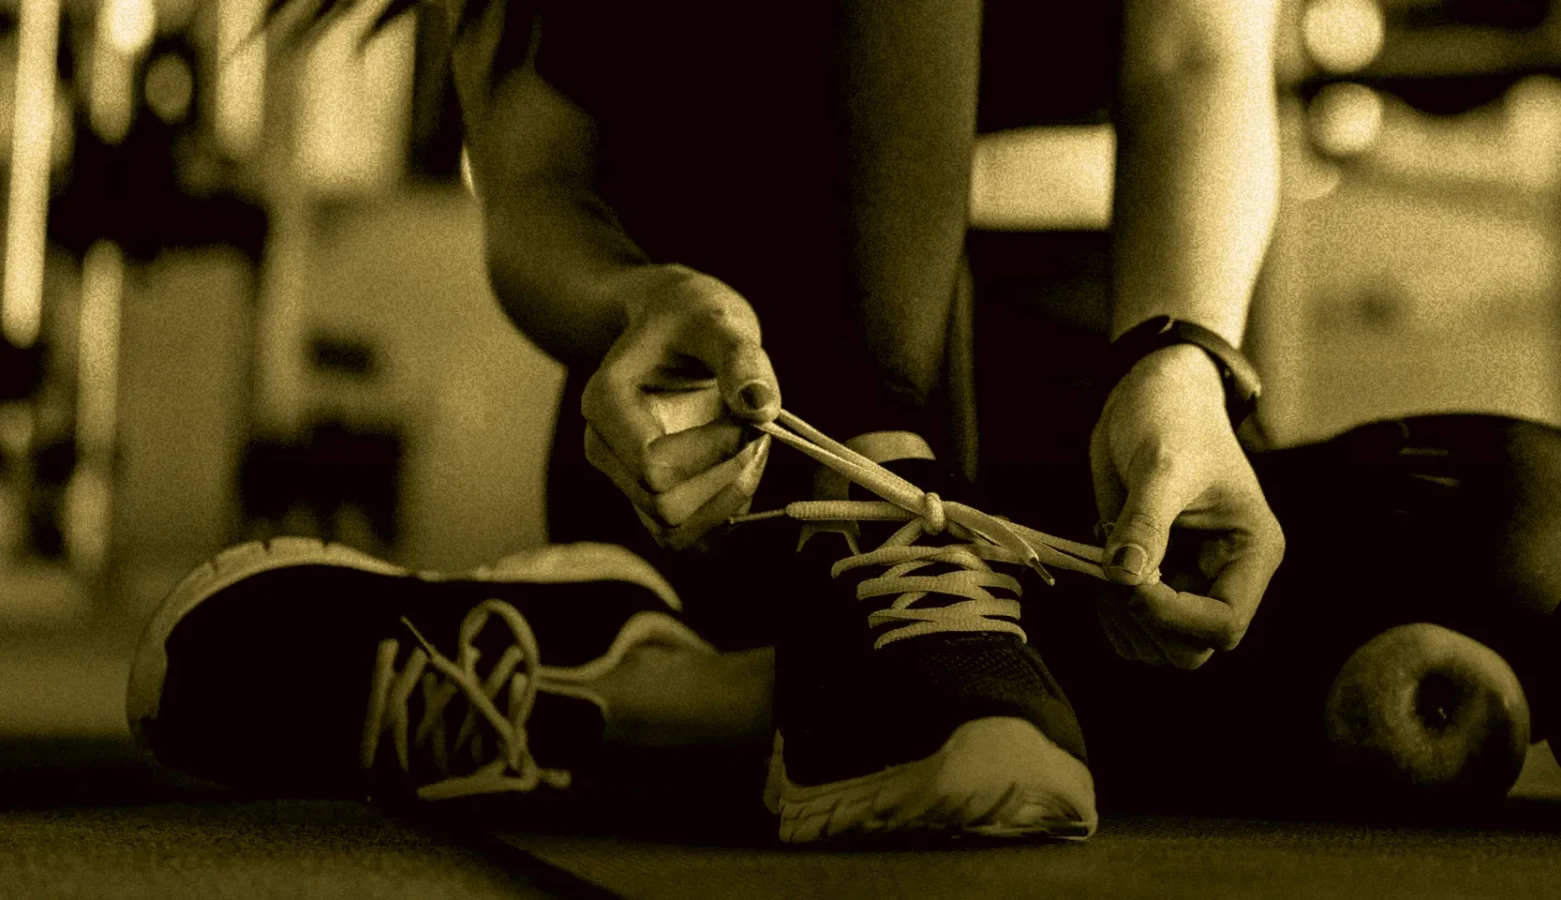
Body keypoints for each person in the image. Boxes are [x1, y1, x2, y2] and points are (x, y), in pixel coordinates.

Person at [131, 0, 1284, 844]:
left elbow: (1198, 54)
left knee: (1391, 570)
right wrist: (630, 303)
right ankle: (886, 630)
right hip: (734, 447)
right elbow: (534, 190)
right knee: (1217, 705)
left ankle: (656, 695)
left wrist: (1181, 362)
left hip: (1067, 435)